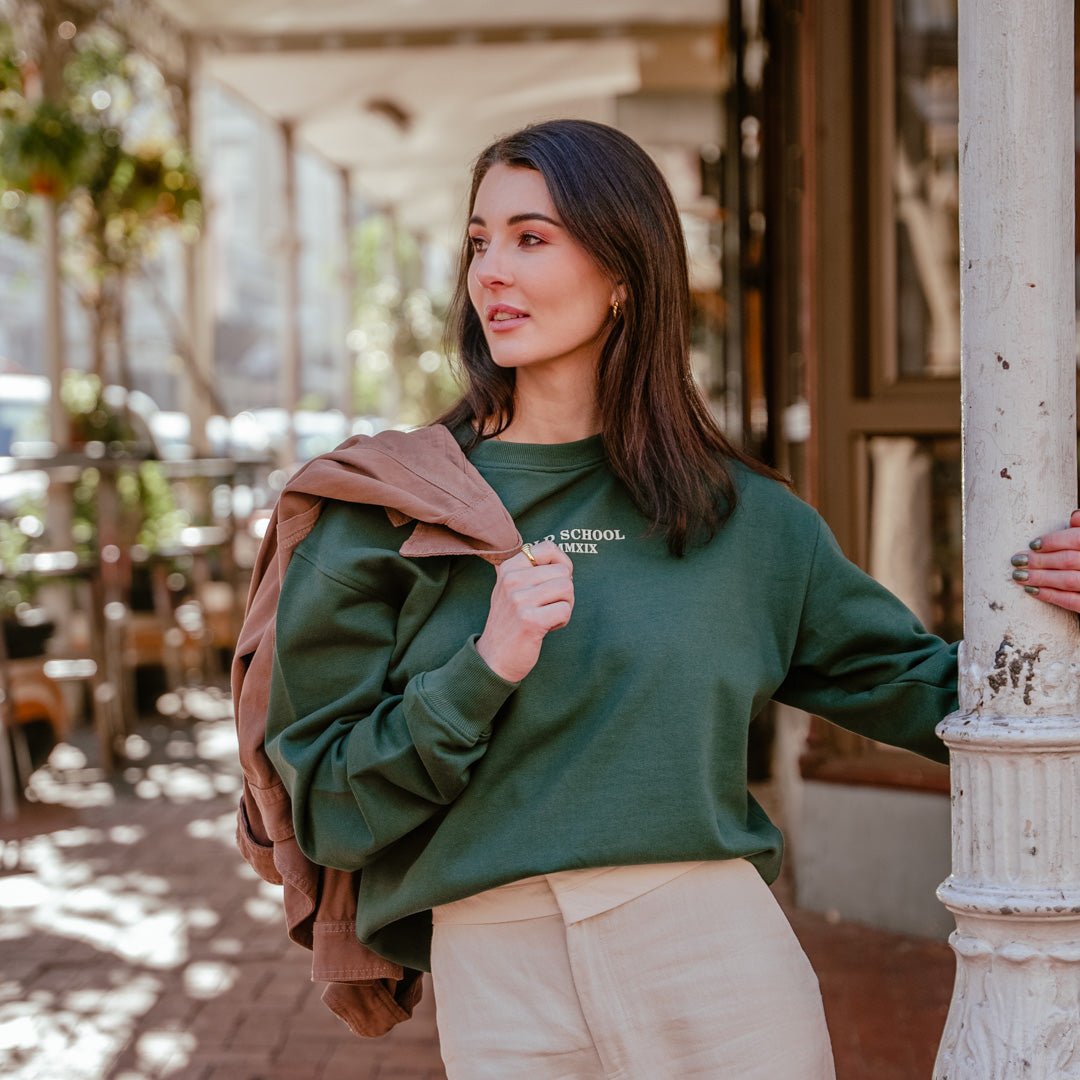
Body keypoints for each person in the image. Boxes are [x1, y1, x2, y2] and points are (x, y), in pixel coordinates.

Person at [264, 119, 1080, 1079]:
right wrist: (480, 673)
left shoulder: (748, 522)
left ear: (624, 271)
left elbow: (947, 699)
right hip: (499, 974)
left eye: (532, 237)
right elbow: (326, 810)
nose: (490, 271)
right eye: (480, 241)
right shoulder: (389, 509)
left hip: (719, 966)